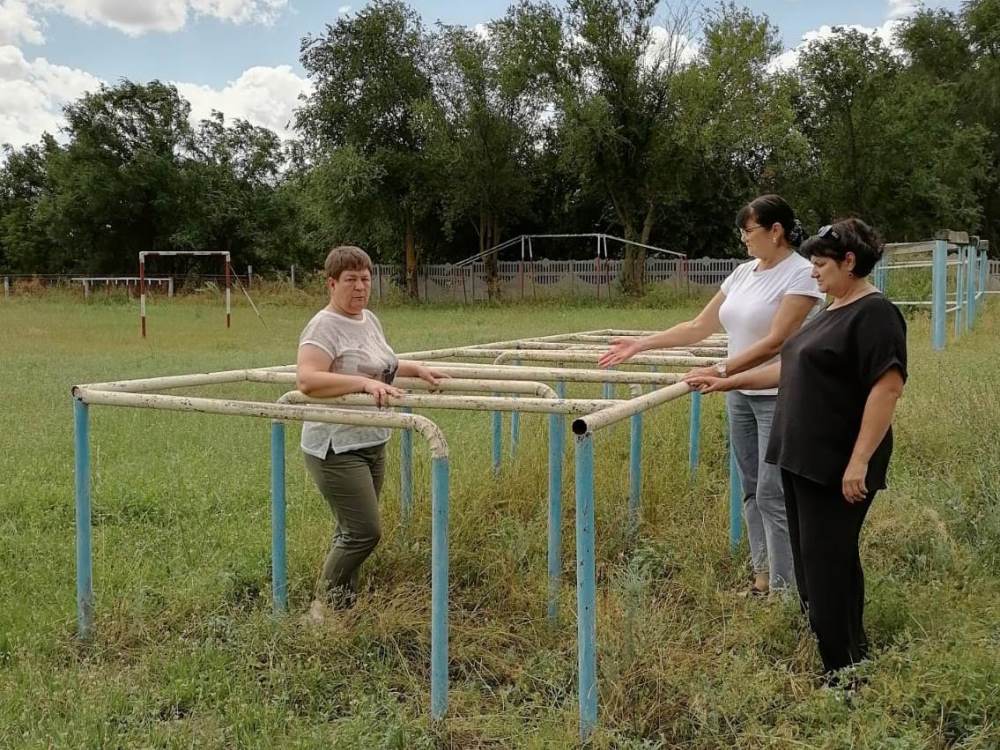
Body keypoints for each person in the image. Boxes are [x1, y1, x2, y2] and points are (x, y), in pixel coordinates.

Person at [688, 218, 907, 677]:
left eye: (821, 263)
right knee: (818, 564)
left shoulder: (875, 314)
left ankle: (842, 673)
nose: (812, 271)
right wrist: (727, 379)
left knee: (826, 566)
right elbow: (790, 372)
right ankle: (850, 652)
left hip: (836, 462)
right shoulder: (832, 308)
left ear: (850, 262)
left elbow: (886, 389)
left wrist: (859, 462)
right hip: (801, 457)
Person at [600, 195, 824, 595]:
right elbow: (698, 326)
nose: (743, 240)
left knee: (774, 493)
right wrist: (642, 344)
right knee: (752, 487)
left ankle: (785, 588)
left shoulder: (802, 274)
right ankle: (761, 578)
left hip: (778, 393)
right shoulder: (741, 274)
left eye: (748, 231)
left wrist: (723, 370)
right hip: (738, 394)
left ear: (776, 231)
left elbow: (778, 340)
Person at [296, 245, 447, 622]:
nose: (360, 287)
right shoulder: (323, 325)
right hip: (335, 446)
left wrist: (416, 369)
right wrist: (363, 385)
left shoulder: (369, 320)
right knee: (364, 532)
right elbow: (308, 379)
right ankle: (320, 610)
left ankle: (342, 609)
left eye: (365, 279)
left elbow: (380, 366)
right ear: (332, 283)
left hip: (371, 441)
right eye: (351, 280)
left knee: (350, 530)